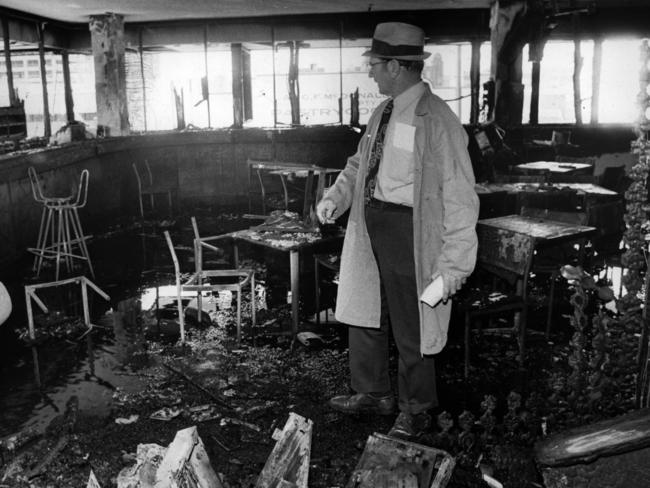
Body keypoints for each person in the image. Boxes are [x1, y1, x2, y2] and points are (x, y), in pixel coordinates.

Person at [316, 22, 479, 440]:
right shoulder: (383, 112)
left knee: (412, 323)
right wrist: (338, 195)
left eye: (374, 65)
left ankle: (417, 409)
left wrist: (454, 265)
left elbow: (461, 195)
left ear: (394, 66)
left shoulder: (437, 119)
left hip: (410, 231)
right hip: (371, 223)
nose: (370, 72)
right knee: (364, 311)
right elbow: (359, 164)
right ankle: (373, 392)